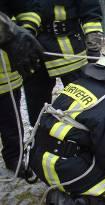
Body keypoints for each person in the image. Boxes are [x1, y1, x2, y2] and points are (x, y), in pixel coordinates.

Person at [29, 41, 105, 205]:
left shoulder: (80, 84)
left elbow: (88, 120)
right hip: (64, 169)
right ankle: (72, 201)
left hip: (41, 158)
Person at [24, 0, 104, 127]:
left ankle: (88, 139)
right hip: (35, 53)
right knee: (37, 112)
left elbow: (91, 13)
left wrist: (93, 46)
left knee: (85, 105)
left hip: (71, 53)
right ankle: (40, 140)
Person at [0, 1, 42, 178]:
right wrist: (10, 33)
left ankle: (15, 158)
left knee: (12, 122)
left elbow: (28, 8)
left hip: (6, 71)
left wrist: (27, 32)